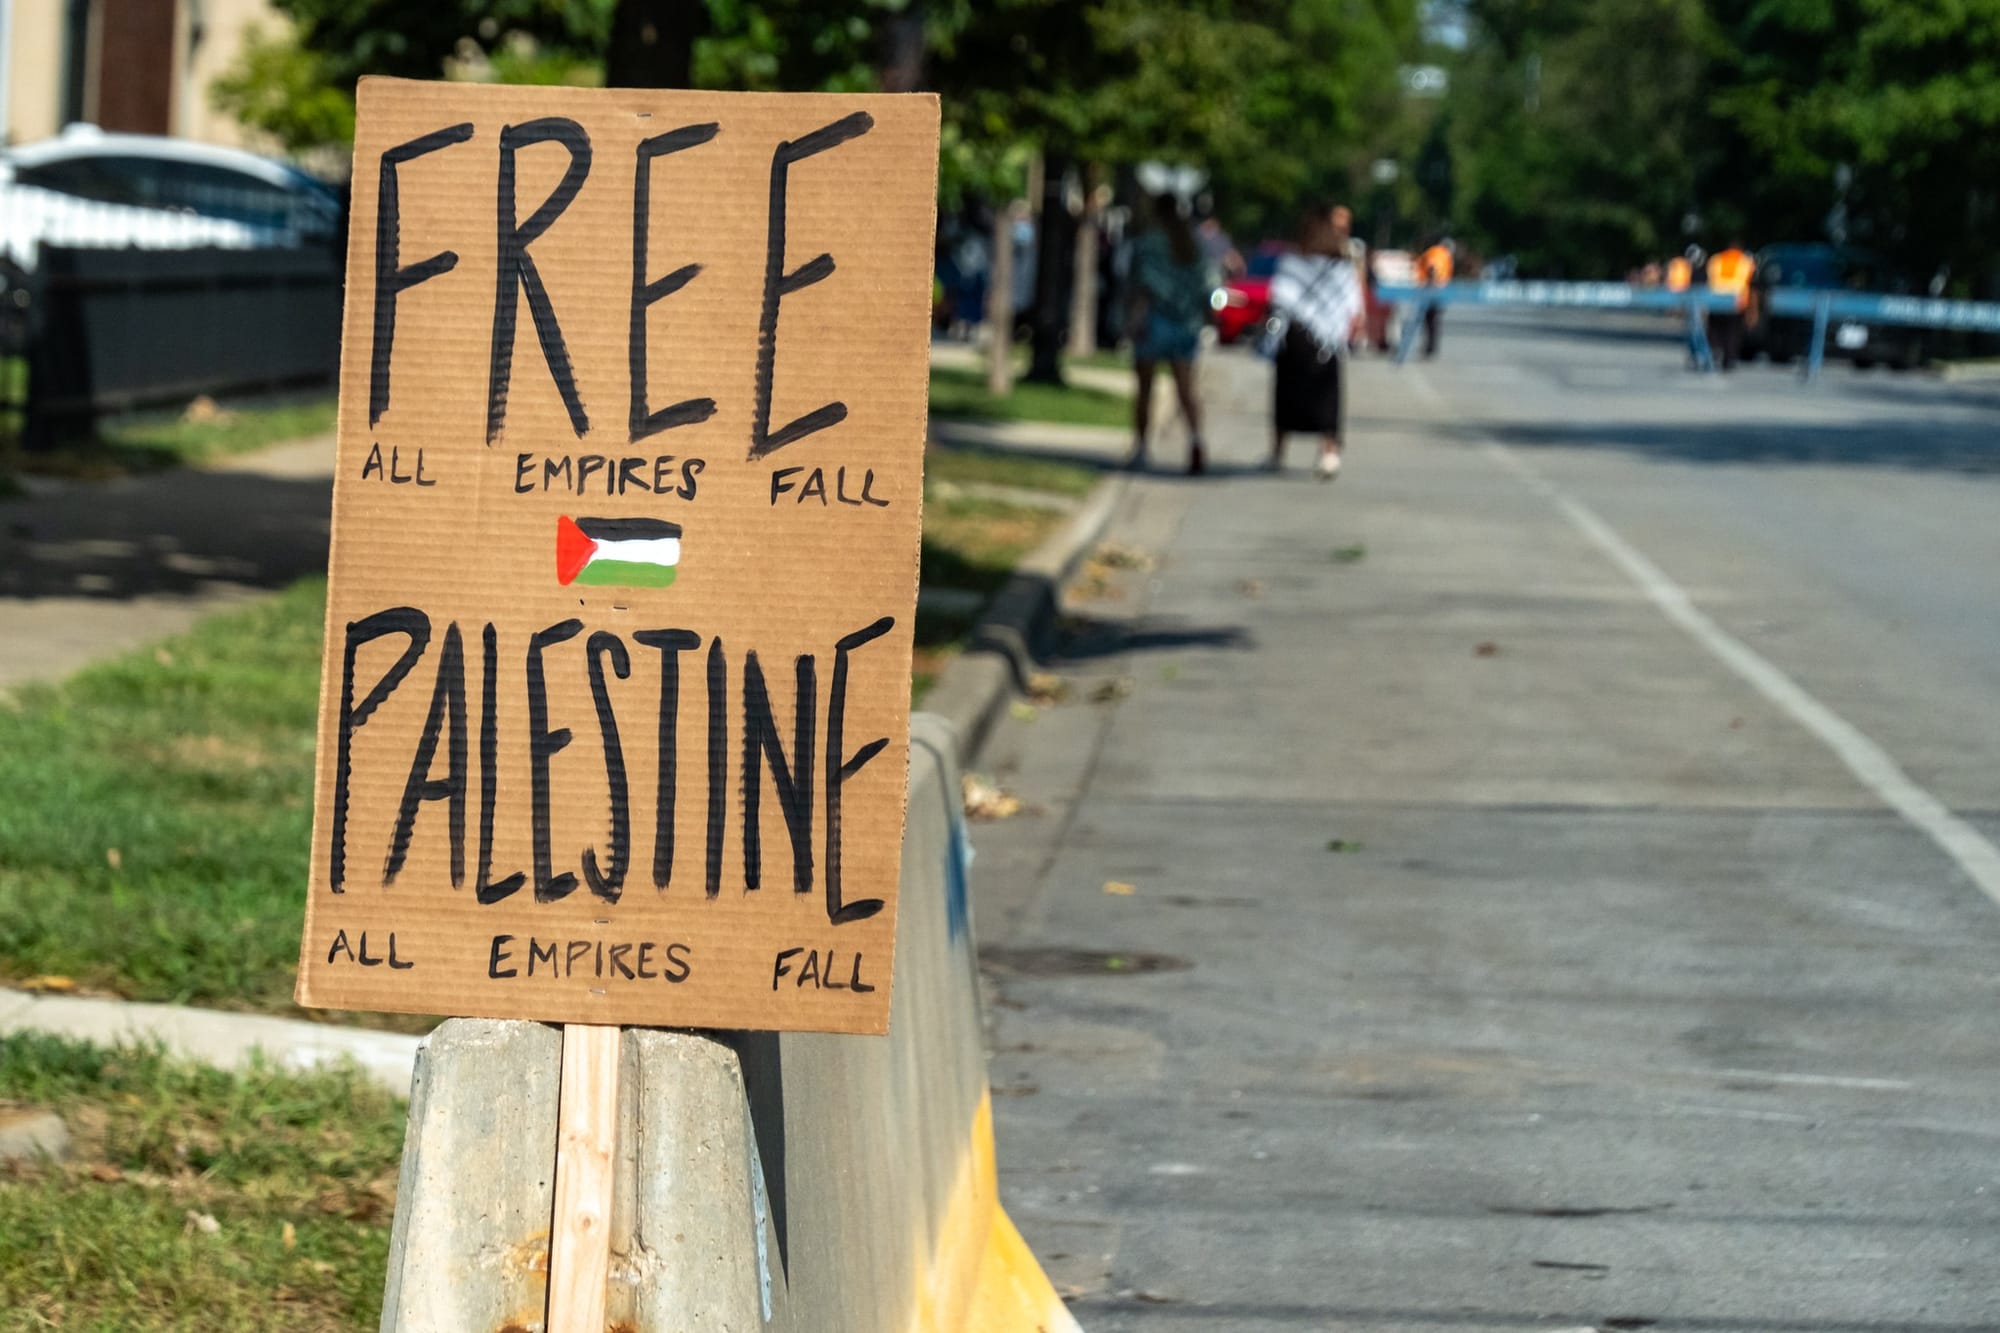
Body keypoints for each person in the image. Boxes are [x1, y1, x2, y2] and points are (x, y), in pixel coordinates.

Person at [1268, 203, 1365, 480]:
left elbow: (1280, 298)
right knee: (1328, 397)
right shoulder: (1342, 266)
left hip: (1295, 339)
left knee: (1286, 396)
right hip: (1329, 342)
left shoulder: (1292, 261)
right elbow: (1351, 304)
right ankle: (1329, 452)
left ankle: (1278, 450)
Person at [1126, 193, 1214, 475]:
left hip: (1154, 321)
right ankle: (1196, 439)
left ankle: (1141, 447)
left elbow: (1143, 286)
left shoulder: (1149, 244)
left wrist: (1133, 320)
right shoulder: (1193, 245)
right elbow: (1208, 286)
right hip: (1186, 324)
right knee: (1186, 389)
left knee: (1145, 388)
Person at [1706, 238, 1756, 370]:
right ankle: (1729, 359)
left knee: (1715, 329)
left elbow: (1710, 278)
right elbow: (1748, 281)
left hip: (1715, 299)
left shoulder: (1717, 259)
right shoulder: (1745, 261)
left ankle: (1713, 351)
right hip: (1735, 300)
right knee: (1732, 332)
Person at [1416, 236, 1454, 357]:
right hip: (1433, 290)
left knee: (1430, 320)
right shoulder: (1439, 253)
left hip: (1433, 289)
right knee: (1431, 320)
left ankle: (1430, 347)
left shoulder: (1440, 254)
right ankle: (1430, 346)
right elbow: (1433, 268)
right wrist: (1432, 285)